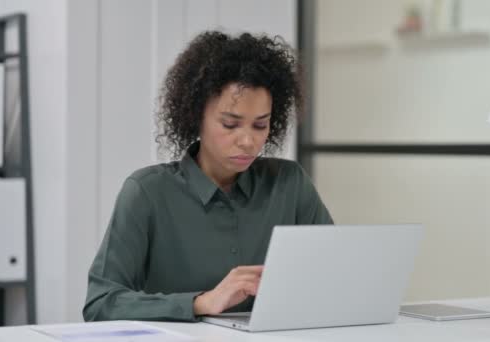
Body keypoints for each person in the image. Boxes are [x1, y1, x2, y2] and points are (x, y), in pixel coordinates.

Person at [82, 31, 333, 322]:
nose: (248, 141)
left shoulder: (289, 183)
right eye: (230, 124)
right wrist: (201, 302)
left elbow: (333, 274)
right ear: (195, 116)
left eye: (260, 125)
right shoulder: (146, 192)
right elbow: (100, 304)